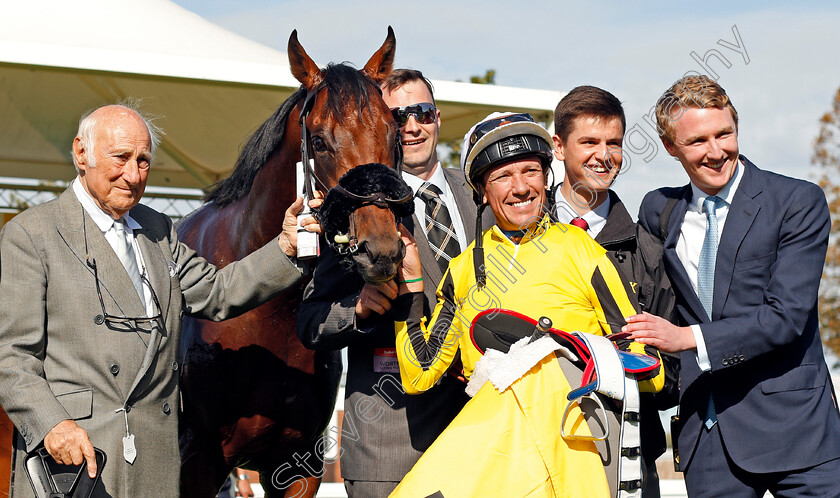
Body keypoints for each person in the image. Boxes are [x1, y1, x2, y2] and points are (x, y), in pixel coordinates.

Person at [0, 103, 321, 497]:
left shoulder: (158, 230)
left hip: (156, 459)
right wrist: (52, 425)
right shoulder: (31, 235)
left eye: (144, 161)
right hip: (74, 460)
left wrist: (285, 246)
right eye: (121, 158)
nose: (133, 175)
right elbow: (12, 356)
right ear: (82, 153)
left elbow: (219, 292)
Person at [389, 112, 665, 497]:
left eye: (531, 171)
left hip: (577, 453)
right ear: (482, 192)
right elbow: (418, 374)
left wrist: (565, 361)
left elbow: (649, 368)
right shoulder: (463, 268)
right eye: (502, 176)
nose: (520, 187)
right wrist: (412, 288)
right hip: (504, 465)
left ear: (546, 177)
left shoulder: (581, 249)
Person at [624, 75, 840, 497]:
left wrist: (685, 339)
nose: (716, 151)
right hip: (709, 437)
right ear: (670, 147)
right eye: (698, 141)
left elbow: (785, 318)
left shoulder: (797, 202)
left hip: (797, 430)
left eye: (725, 133)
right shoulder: (658, 209)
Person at [297, 69, 488, 497]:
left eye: (421, 112)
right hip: (392, 447)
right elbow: (310, 322)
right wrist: (359, 308)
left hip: (483, 439)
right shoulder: (351, 209)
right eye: (398, 117)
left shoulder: (481, 194)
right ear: (382, 127)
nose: (412, 126)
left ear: (437, 117)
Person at [551, 85, 678, 496]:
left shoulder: (649, 248)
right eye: (589, 141)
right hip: (534, 443)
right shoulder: (516, 236)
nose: (603, 156)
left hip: (625, 452)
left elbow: (671, 364)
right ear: (558, 146)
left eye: (614, 144)